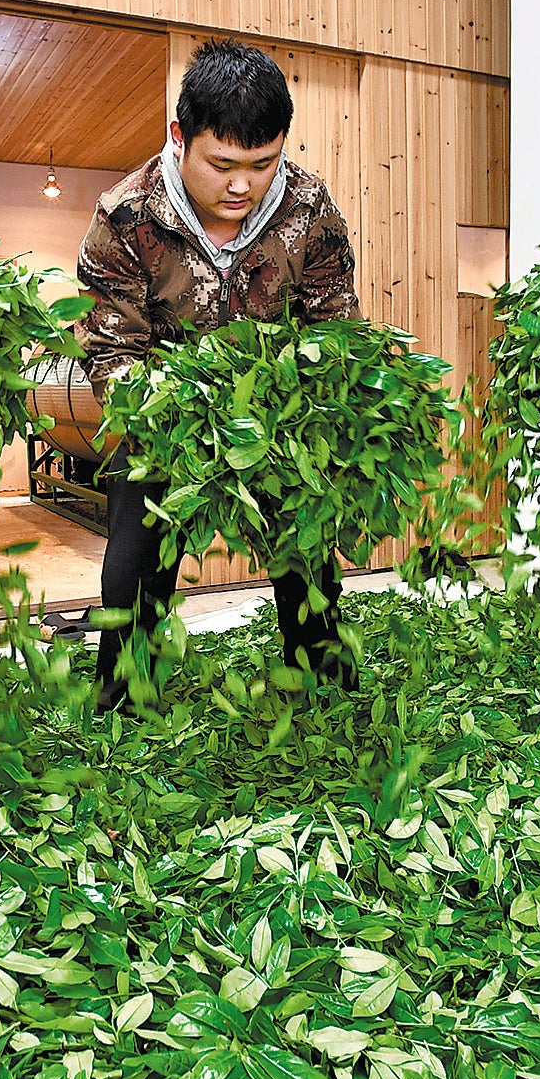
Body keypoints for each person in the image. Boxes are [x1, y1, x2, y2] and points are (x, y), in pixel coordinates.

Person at [77, 39, 360, 710]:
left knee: (309, 557)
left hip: (280, 422)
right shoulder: (125, 216)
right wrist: (186, 420)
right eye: (223, 164)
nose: (243, 186)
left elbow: (333, 325)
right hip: (163, 427)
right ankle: (124, 707)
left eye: (263, 164)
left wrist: (309, 407)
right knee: (132, 573)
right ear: (180, 138)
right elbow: (112, 354)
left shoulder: (310, 209)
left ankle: (327, 696)